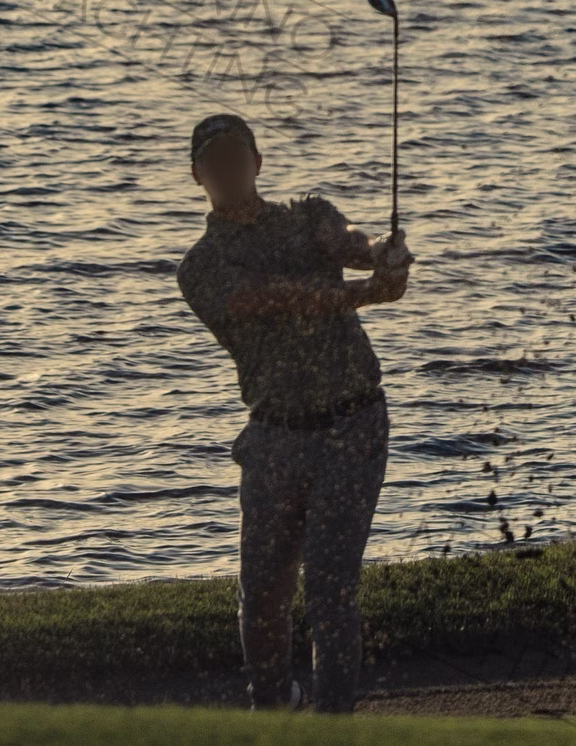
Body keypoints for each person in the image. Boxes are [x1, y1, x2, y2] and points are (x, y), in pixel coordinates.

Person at [176, 111, 413, 713]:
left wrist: (384, 256)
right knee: (263, 594)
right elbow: (267, 302)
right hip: (274, 435)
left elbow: (350, 242)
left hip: (353, 424)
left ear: (256, 163)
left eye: (238, 157)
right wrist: (362, 293)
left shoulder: (309, 215)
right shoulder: (200, 266)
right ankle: (273, 707)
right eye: (215, 162)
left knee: (332, 591)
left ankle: (333, 723)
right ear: (198, 175)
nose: (228, 169)